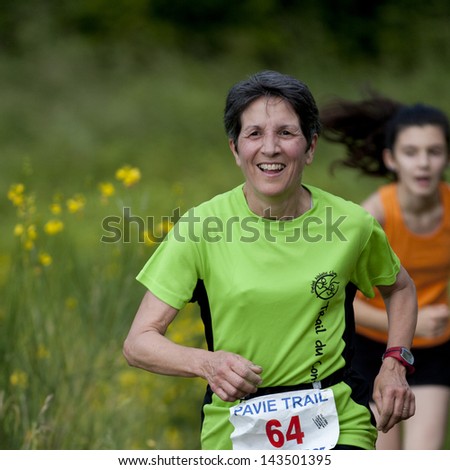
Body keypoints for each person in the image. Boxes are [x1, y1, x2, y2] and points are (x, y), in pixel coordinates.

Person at [123, 71, 417, 450]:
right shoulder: (201, 228)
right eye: (255, 134)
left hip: (337, 421)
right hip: (235, 428)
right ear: (235, 148)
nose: (270, 148)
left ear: (310, 147)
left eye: (285, 133)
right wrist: (206, 363)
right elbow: (139, 342)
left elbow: (401, 288)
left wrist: (394, 363)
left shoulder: (352, 225)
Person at [320, 94, 450, 449]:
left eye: (434, 152)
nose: (423, 163)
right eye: (411, 152)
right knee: (382, 456)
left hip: (433, 350)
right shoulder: (373, 217)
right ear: (391, 158)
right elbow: (332, 302)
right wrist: (411, 325)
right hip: (371, 349)